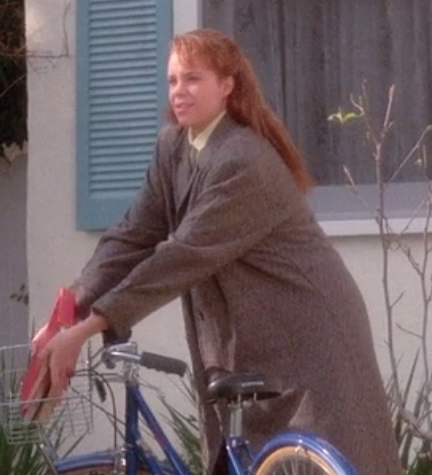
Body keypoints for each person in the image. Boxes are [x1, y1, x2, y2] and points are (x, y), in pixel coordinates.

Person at [37, 28, 401, 473]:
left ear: (227, 85)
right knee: (248, 459)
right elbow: (133, 234)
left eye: (193, 78)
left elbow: (183, 256)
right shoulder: (173, 146)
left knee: (321, 458)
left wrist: (89, 327)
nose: (179, 91)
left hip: (308, 333)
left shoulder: (242, 159)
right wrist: (70, 307)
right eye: (172, 80)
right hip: (251, 334)